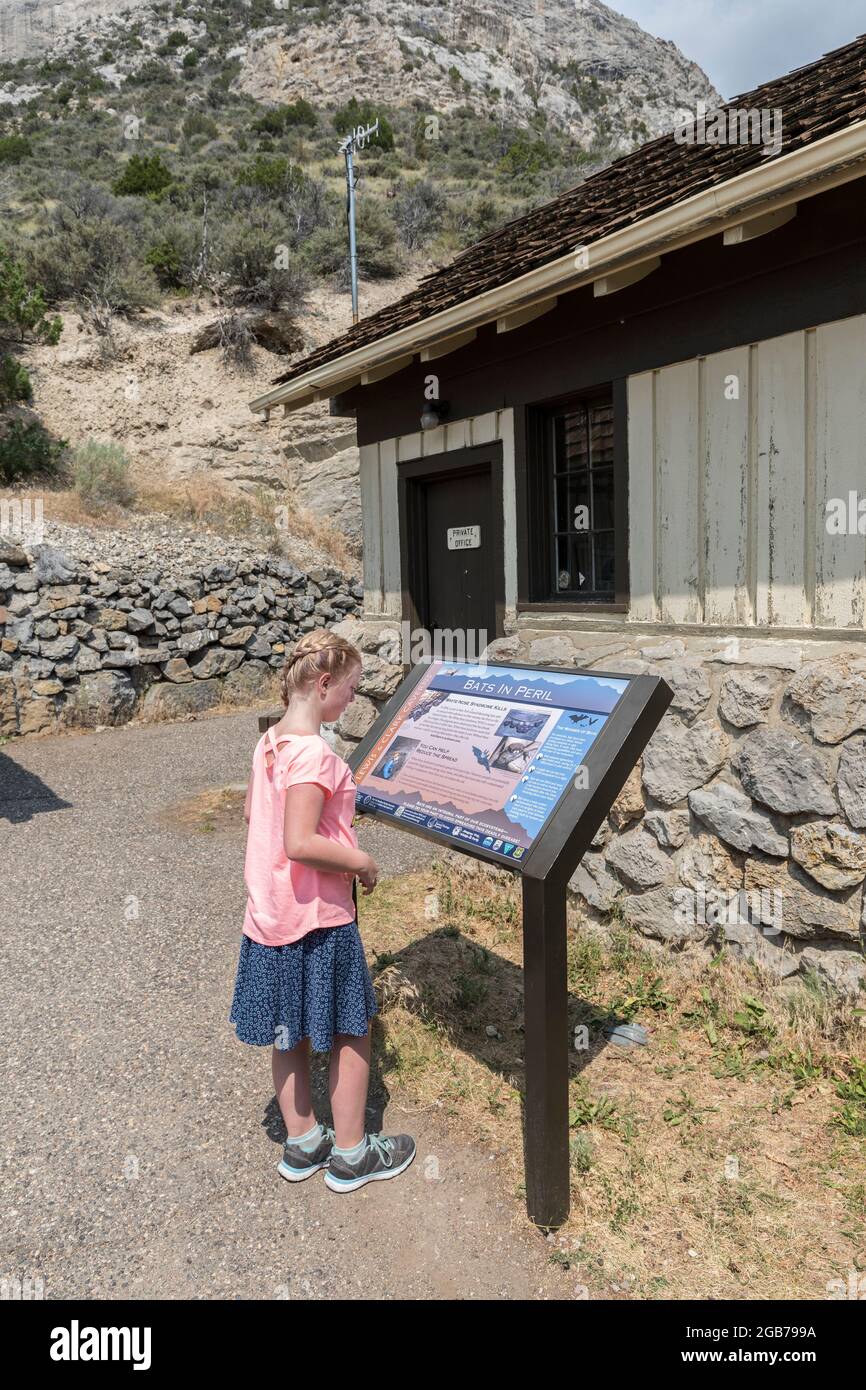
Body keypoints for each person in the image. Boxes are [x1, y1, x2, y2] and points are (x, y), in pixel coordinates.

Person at [229, 628, 416, 1193]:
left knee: (289, 1034)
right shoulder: (315, 754)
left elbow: (250, 816)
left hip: (270, 917)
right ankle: (354, 1153)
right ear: (326, 683)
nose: (354, 701)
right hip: (317, 919)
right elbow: (300, 842)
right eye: (352, 690)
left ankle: (304, 1140)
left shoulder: (270, 744)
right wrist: (360, 861)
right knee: (350, 1031)